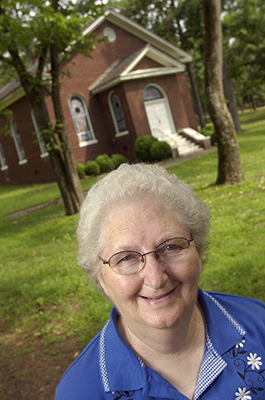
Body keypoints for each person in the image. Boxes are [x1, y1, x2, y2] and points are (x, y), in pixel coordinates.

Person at [55, 163, 265, 400]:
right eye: (126, 258)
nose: (155, 278)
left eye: (170, 246)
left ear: (200, 250)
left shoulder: (259, 326)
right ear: (101, 277)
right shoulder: (81, 392)